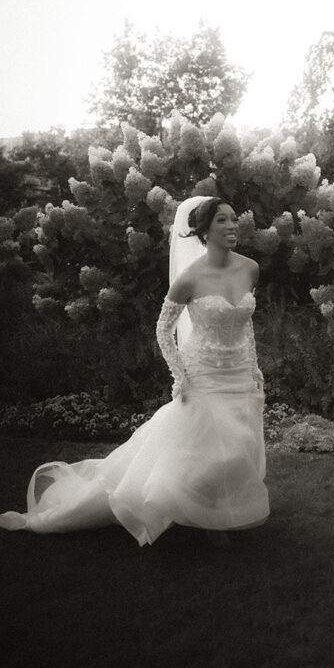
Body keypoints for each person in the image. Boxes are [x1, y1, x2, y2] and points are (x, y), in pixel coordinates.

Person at [0, 195, 269, 546]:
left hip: (239, 372)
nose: (232, 226)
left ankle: (218, 508)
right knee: (210, 450)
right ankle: (206, 522)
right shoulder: (189, 279)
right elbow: (163, 330)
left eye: (234, 219)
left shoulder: (250, 268)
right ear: (203, 230)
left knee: (238, 444)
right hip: (201, 373)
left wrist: (254, 365)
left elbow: (243, 323)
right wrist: (180, 376)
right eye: (222, 220)